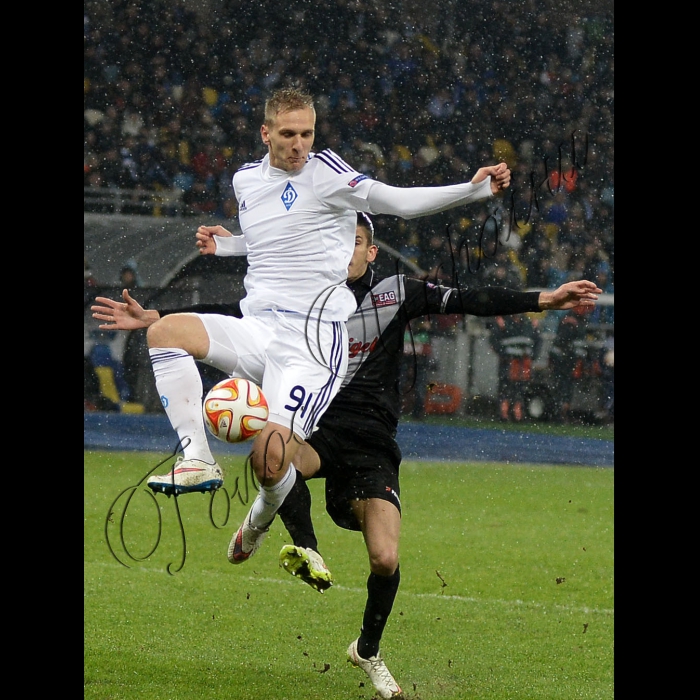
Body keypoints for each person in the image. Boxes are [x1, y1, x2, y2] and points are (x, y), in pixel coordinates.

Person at [93, 213, 602, 699]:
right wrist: (158, 319)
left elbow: (471, 299)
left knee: (384, 557)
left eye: (353, 242)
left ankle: (367, 649)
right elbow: (242, 321)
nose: (342, 251)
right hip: (315, 429)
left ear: (371, 249)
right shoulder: (307, 296)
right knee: (268, 451)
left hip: (372, 444)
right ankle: (301, 543)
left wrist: (544, 299)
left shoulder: (395, 293)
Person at [135, 86, 513, 573]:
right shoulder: (246, 180)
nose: (299, 144)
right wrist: (229, 249)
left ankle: (256, 522)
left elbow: (395, 201)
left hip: (312, 346)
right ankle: (198, 460)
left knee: (271, 461)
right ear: (266, 133)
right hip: (259, 328)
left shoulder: (328, 173)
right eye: (289, 134)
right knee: (163, 334)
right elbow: (277, 235)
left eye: (307, 134)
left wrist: (474, 189)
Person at [486, 312, 540, 422]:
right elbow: (494, 340)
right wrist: (505, 355)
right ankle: (504, 414)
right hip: (508, 362)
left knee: (520, 388)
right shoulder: (503, 322)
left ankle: (517, 414)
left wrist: (531, 356)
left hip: (523, 362)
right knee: (506, 387)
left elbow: (537, 341)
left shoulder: (528, 324)